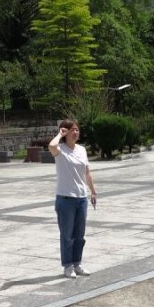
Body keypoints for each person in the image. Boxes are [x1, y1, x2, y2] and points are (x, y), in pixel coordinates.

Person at [47, 119, 98, 278]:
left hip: (81, 198)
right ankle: (67, 266)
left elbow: (87, 172)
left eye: (77, 129)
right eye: (72, 130)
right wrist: (59, 134)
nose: (75, 132)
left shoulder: (82, 150)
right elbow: (51, 146)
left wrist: (93, 191)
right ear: (65, 132)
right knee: (67, 236)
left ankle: (77, 263)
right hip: (65, 199)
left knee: (79, 236)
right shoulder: (60, 150)